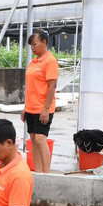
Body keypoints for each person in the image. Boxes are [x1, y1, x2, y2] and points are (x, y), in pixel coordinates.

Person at [24, 30, 59, 174]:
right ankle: (37, 171)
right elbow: (31, 87)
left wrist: (45, 109)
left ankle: (47, 173)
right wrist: (25, 108)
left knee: (40, 139)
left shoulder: (50, 61)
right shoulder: (34, 62)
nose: (32, 48)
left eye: (35, 44)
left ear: (44, 43)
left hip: (43, 108)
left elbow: (52, 86)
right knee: (33, 139)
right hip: (31, 108)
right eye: (31, 45)